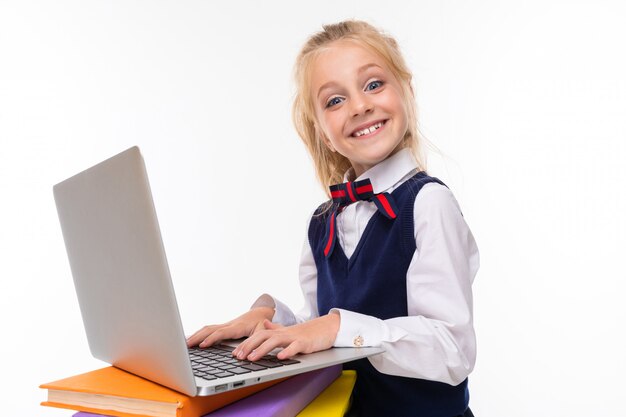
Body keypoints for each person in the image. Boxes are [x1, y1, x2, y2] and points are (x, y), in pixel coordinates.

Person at [187, 20, 479, 417]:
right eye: (334, 101)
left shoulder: (429, 203)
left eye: (374, 84)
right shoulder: (322, 222)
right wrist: (272, 319)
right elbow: (320, 326)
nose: (360, 106)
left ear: (407, 93)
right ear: (324, 133)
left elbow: (452, 350)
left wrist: (338, 326)